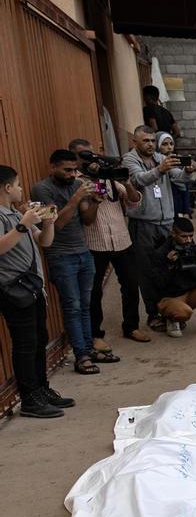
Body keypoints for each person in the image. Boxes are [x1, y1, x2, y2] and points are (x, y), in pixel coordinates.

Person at [32, 150, 118, 376]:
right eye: (66, 170)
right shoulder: (41, 190)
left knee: (86, 305)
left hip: (83, 253)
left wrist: (96, 202)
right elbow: (56, 224)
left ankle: (89, 349)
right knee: (73, 306)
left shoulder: (75, 186)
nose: (72, 174)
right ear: (53, 167)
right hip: (61, 256)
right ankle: (81, 355)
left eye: (74, 170)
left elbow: (87, 221)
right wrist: (76, 198)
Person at [0, 165, 72, 417]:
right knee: (25, 344)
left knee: (39, 339)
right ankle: (30, 398)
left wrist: (48, 222)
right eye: (18, 185)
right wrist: (22, 224)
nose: (21, 189)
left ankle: (42, 389)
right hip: (13, 290)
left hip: (33, 288)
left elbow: (45, 241)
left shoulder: (16, 213)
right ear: (8, 188)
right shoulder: (6, 217)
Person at [70, 139, 149, 346]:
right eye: (83, 155)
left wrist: (126, 180)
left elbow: (134, 201)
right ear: (75, 158)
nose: (90, 160)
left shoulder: (109, 179)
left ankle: (131, 326)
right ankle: (96, 334)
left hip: (122, 240)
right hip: (96, 244)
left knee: (131, 285)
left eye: (91, 154)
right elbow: (87, 220)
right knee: (94, 291)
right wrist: (95, 199)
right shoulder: (78, 183)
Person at [123, 125, 196, 331]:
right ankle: (152, 313)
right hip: (144, 223)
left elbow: (179, 177)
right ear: (135, 142)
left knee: (170, 265)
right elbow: (138, 180)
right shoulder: (129, 159)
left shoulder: (158, 157)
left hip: (166, 222)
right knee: (147, 270)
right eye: (145, 141)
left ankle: (170, 310)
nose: (150, 144)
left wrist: (188, 171)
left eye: (152, 140)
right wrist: (160, 169)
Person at [155, 132, 192, 218]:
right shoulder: (155, 161)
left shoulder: (176, 158)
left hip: (180, 192)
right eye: (164, 144)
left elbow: (180, 177)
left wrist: (187, 170)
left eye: (171, 144)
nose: (169, 147)